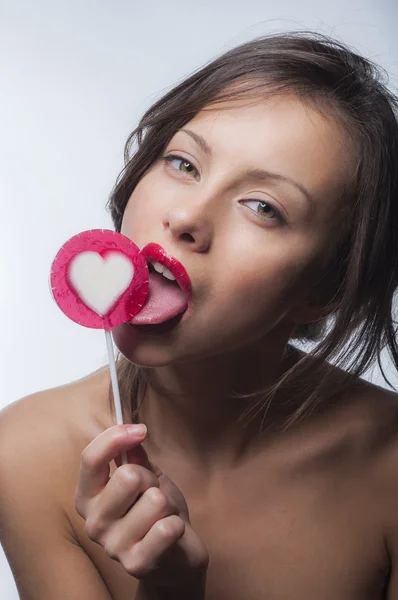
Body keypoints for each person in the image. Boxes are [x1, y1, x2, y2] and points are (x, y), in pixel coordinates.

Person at [1, 29, 398, 600]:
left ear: (325, 287)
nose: (187, 214)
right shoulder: (26, 452)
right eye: (183, 163)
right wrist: (169, 591)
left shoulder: (388, 466)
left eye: (263, 207)